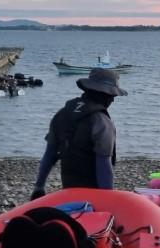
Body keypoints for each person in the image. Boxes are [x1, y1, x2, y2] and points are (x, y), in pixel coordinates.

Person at [30, 69, 126, 199]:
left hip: (69, 190)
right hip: (94, 194)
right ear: (104, 94)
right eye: (112, 96)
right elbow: (104, 164)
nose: (112, 101)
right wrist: (107, 199)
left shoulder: (62, 114)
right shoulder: (102, 122)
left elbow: (49, 154)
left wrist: (39, 187)